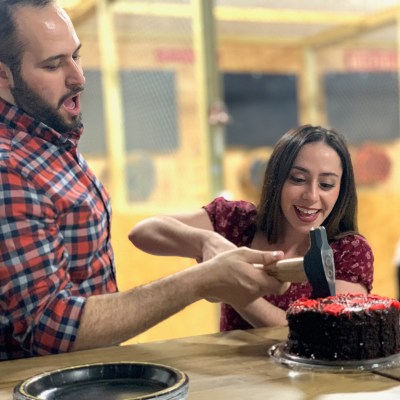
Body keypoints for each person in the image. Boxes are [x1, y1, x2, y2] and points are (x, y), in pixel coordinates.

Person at [0, 0, 290, 361]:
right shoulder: (9, 166)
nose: (78, 77)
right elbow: (49, 327)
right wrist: (201, 280)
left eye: (76, 56)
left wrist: (204, 244)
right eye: (54, 64)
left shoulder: (50, 141)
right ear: (3, 75)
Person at [130, 125, 374, 331]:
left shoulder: (350, 252)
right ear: (276, 179)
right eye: (298, 179)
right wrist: (207, 242)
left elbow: (325, 333)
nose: (311, 196)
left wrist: (239, 296)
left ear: (341, 191)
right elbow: (143, 232)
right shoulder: (238, 223)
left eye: (326, 184)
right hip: (236, 378)